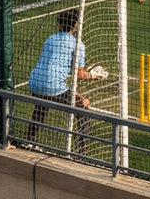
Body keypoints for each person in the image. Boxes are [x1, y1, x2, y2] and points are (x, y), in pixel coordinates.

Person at [24, 8, 96, 153]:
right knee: (83, 107)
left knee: (41, 107)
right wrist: (92, 75)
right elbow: (79, 74)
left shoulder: (50, 39)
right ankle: (81, 153)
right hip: (53, 86)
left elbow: (57, 65)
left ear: (59, 24)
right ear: (75, 25)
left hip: (35, 82)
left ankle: (28, 141)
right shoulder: (78, 45)